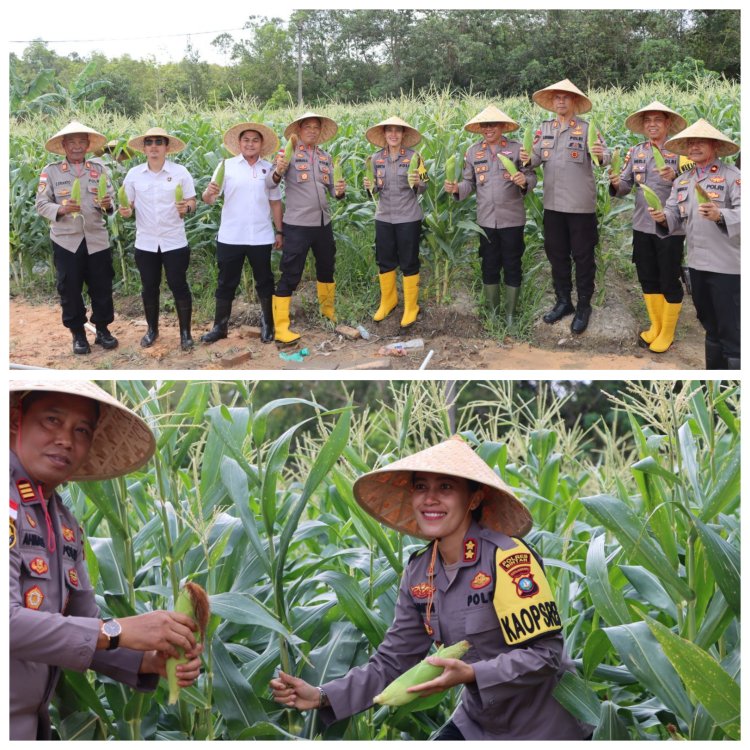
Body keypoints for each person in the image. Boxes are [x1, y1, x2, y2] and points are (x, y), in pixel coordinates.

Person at [270, 435, 592, 740]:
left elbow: (545, 655)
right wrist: (323, 695)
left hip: (544, 726)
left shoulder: (508, 560)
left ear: (475, 497)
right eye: (420, 486)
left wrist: (472, 674)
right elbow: (393, 662)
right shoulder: (419, 573)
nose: (430, 498)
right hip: (479, 725)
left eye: (446, 486)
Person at [9, 380, 202, 740]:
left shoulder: (62, 522)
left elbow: (81, 626)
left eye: (81, 429)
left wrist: (147, 660)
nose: (66, 439)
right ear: (16, 419)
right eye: (52, 420)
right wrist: (118, 630)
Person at [648, 119, 741, 369]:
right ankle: (715, 378)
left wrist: (721, 215)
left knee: (732, 332)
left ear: (715, 146)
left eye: (700, 141)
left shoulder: (732, 176)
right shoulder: (682, 181)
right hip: (697, 264)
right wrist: (662, 218)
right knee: (709, 327)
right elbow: (674, 216)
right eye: (690, 142)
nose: (694, 146)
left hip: (728, 267)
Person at [522, 79, 609, 334]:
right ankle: (563, 301)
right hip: (552, 205)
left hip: (580, 206)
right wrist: (526, 157)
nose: (561, 101)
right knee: (556, 254)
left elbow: (604, 158)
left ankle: (583, 305)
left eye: (566, 97)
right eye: (557, 98)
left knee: (582, 257)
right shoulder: (544, 129)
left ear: (574, 102)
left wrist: (602, 154)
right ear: (553, 103)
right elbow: (534, 160)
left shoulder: (586, 129)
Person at [445, 106, 537, 325]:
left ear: (503, 127)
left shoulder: (517, 150)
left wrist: (525, 182)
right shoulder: (472, 152)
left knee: (513, 264)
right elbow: (470, 183)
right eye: (485, 125)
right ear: (480, 129)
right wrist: (457, 188)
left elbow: (531, 176)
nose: (488, 129)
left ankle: (511, 313)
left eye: (493, 125)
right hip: (485, 219)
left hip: (512, 219)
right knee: (489, 263)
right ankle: (494, 312)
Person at [609, 101, 688, 353]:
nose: (652, 124)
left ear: (667, 124)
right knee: (647, 277)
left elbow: (694, 188)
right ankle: (655, 325)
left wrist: (675, 177)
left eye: (657, 120)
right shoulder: (636, 152)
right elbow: (624, 187)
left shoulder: (681, 153)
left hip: (670, 227)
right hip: (642, 225)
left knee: (668, 279)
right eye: (648, 121)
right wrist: (614, 181)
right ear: (643, 127)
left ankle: (667, 332)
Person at [35, 121, 118, 355]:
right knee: (69, 289)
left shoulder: (99, 170)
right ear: (64, 145)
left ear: (88, 145)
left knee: (102, 286)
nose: (77, 146)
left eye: (82, 142)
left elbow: (111, 204)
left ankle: (102, 329)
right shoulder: (50, 171)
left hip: (97, 238)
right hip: (66, 240)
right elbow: (41, 204)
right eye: (72, 142)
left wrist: (107, 205)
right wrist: (61, 208)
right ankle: (78, 334)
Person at [201, 122, 283, 344]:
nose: (250, 144)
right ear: (239, 144)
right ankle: (219, 327)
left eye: (255, 140)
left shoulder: (269, 170)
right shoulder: (225, 166)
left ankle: (268, 324)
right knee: (226, 281)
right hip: (231, 235)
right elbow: (209, 200)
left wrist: (280, 231)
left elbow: (275, 203)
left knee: (265, 280)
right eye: (246, 140)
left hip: (261, 235)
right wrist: (208, 193)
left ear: (261, 144)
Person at [268, 112, 346, 343]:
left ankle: (327, 312)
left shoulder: (325, 157)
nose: (312, 130)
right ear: (299, 131)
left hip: (323, 224)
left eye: (316, 127)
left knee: (326, 267)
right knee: (291, 273)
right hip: (297, 225)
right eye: (307, 127)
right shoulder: (288, 153)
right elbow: (269, 183)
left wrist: (340, 191)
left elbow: (333, 191)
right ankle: (281, 326)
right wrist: (278, 170)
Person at [119, 127, 197, 351]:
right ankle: (152, 330)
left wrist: (187, 207)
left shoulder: (180, 172)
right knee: (149, 287)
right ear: (144, 148)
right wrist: (126, 211)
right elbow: (128, 204)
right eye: (149, 142)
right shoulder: (134, 174)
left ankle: (185, 333)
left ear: (167, 147)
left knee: (178, 285)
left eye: (159, 142)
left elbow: (192, 201)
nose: (154, 146)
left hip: (174, 241)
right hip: (145, 242)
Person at [363, 116, 427, 328]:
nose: (393, 134)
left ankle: (411, 307)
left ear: (403, 135)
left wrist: (419, 182)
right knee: (385, 260)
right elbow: (372, 191)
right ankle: (388, 301)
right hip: (384, 217)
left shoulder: (415, 157)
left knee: (409, 261)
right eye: (389, 131)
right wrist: (368, 186)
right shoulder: (375, 159)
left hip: (408, 217)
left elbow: (425, 186)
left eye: (397, 131)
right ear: (384, 135)